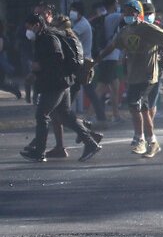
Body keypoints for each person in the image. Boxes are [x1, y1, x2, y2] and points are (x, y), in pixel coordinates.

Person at [97, 0, 163, 159]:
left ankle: (141, 139)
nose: (126, 15)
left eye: (130, 12)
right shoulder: (125, 31)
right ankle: (151, 142)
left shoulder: (147, 28)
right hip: (133, 76)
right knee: (142, 109)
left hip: (148, 75)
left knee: (136, 106)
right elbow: (112, 46)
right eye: (124, 12)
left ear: (137, 13)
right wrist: (96, 59)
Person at [19, 15, 101, 162]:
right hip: (61, 82)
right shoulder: (45, 36)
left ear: (37, 25)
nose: (28, 31)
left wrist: (40, 66)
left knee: (42, 115)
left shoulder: (47, 37)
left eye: (29, 27)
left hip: (55, 84)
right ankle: (90, 143)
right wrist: (35, 72)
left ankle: (39, 152)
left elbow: (57, 57)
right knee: (65, 115)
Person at [93, 0, 124, 122]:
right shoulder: (113, 16)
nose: (118, 4)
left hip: (110, 56)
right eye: (116, 2)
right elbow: (127, 15)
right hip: (109, 57)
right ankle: (89, 115)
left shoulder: (106, 17)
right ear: (112, 5)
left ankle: (116, 115)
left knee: (115, 87)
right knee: (100, 88)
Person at [0, 19, 22, 99]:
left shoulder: (1, 36)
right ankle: (14, 88)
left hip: (1, 65)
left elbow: (0, 48)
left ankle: (14, 88)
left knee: (1, 84)